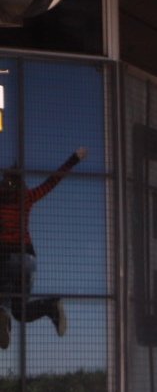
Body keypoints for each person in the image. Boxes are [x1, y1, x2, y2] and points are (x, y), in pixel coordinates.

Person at [0, 147, 87, 349]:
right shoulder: (27, 197)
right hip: (27, 259)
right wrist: (74, 158)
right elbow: (52, 181)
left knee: (3, 302)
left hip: (4, 257)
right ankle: (50, 306)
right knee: (20, 311)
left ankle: (3, 318)